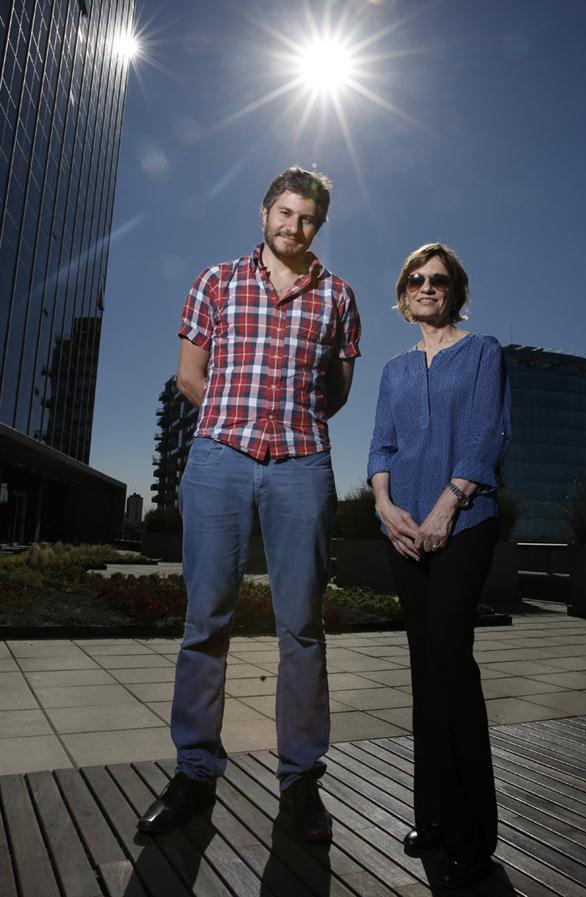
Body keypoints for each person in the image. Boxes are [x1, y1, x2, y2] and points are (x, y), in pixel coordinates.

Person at [138, 166, 361, 843]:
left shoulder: (339, 296)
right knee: (205, 621)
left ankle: (300, 783)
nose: (296, 225)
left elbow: (336, 390)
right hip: (220, 460)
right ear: (264, 213)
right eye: (285, 212)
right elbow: (190, 376)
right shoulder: (215, 282)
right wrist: (236, 422)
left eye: (309, 217)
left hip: (302, 464)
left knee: (303, 628)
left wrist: (289, 424)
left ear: (319, 225)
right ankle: (195, 773)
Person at [368, 243, 511, 890]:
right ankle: (431, 818)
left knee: (452, 661)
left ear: (456, 290)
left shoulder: (482, 353)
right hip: (403, 531)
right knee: (424, 669)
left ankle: (473, 834)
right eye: (416, 279)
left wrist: (448, 506)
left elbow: (485, 434)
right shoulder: (394, 370)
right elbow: (381, 447)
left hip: (465, 524)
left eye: (439, 279)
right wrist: (385, 507)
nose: (426, 286)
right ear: (404, 292)